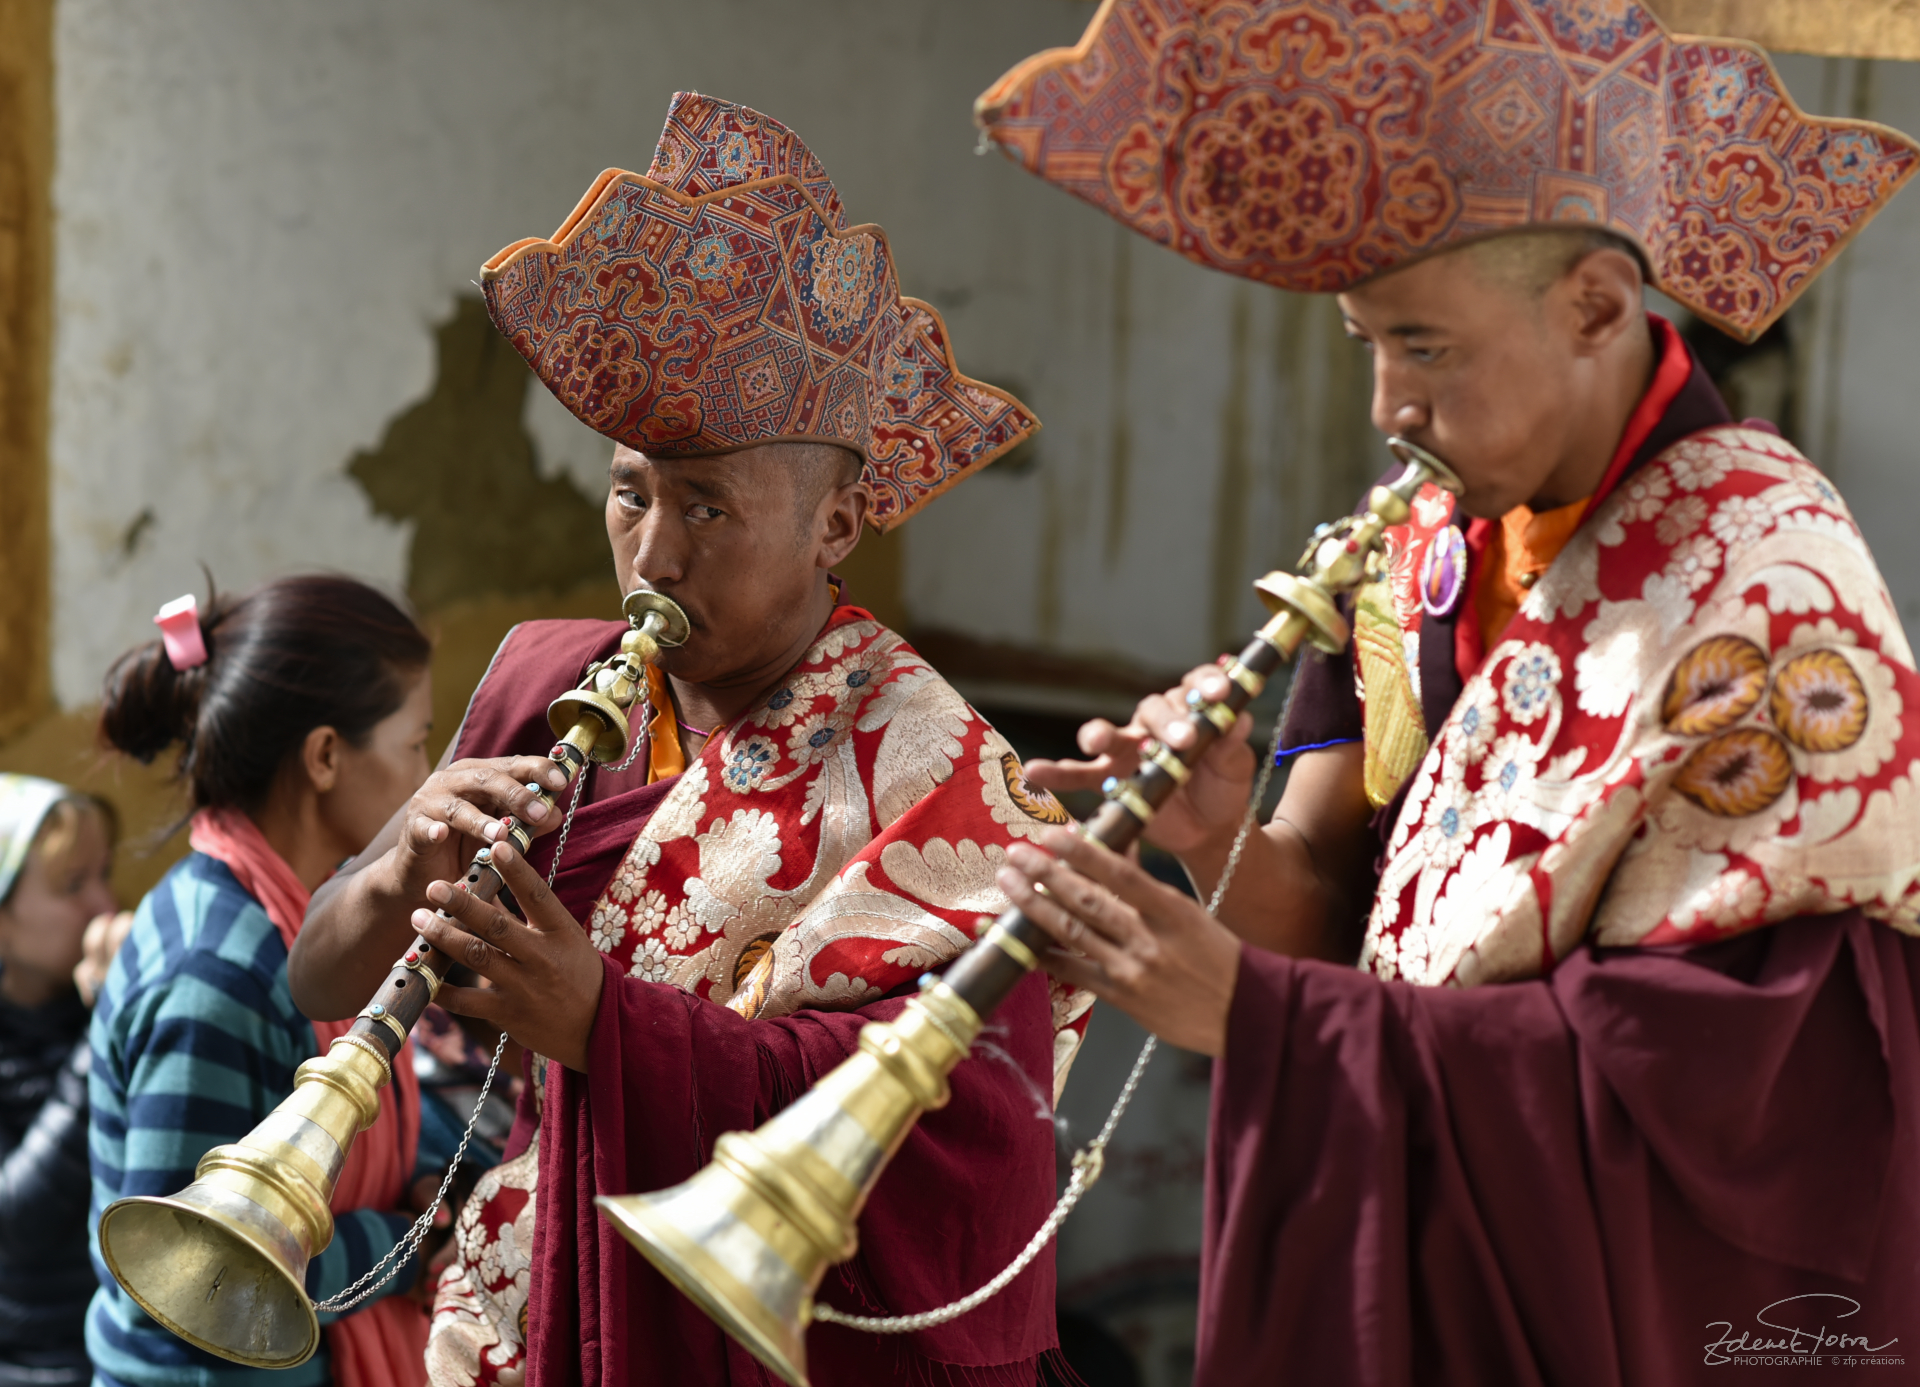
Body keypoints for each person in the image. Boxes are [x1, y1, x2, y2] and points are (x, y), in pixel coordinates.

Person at [976, 2, 1920, 1382]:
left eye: (1425, 347)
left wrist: (1258, 1021)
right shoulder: (1413, 550)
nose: (1385, 406)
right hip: (1416, 1213)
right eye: (1367, 342)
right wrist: (1211, 832)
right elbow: (1323, 904)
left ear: (1599, 303)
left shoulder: (1773, 586)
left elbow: (1730, 1095)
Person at [291, 93, 1091, 1387]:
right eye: (629, 489)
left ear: (836, 525)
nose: (652, 553)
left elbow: (965, 1127)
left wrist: (609, 1024)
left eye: (708, 502)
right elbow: (324, 984)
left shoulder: (935, 767)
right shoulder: (553, 683)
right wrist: (392, 865)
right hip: (526, 1302)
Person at [88, 577, 455, 1387]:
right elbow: (189, 1278)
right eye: (415, 742)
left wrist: (425, 1176)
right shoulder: (214, 973)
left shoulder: (301, 922)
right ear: (326, 756)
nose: (427, 780)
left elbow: (369, 1130)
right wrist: (407, 1235)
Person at [0, 777, 128, 1387]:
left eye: (102, 873)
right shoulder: (97, 1014)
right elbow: (15, 1218)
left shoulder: (84, 996)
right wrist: (105, 1033)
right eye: (73, 884)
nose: (104, 904)